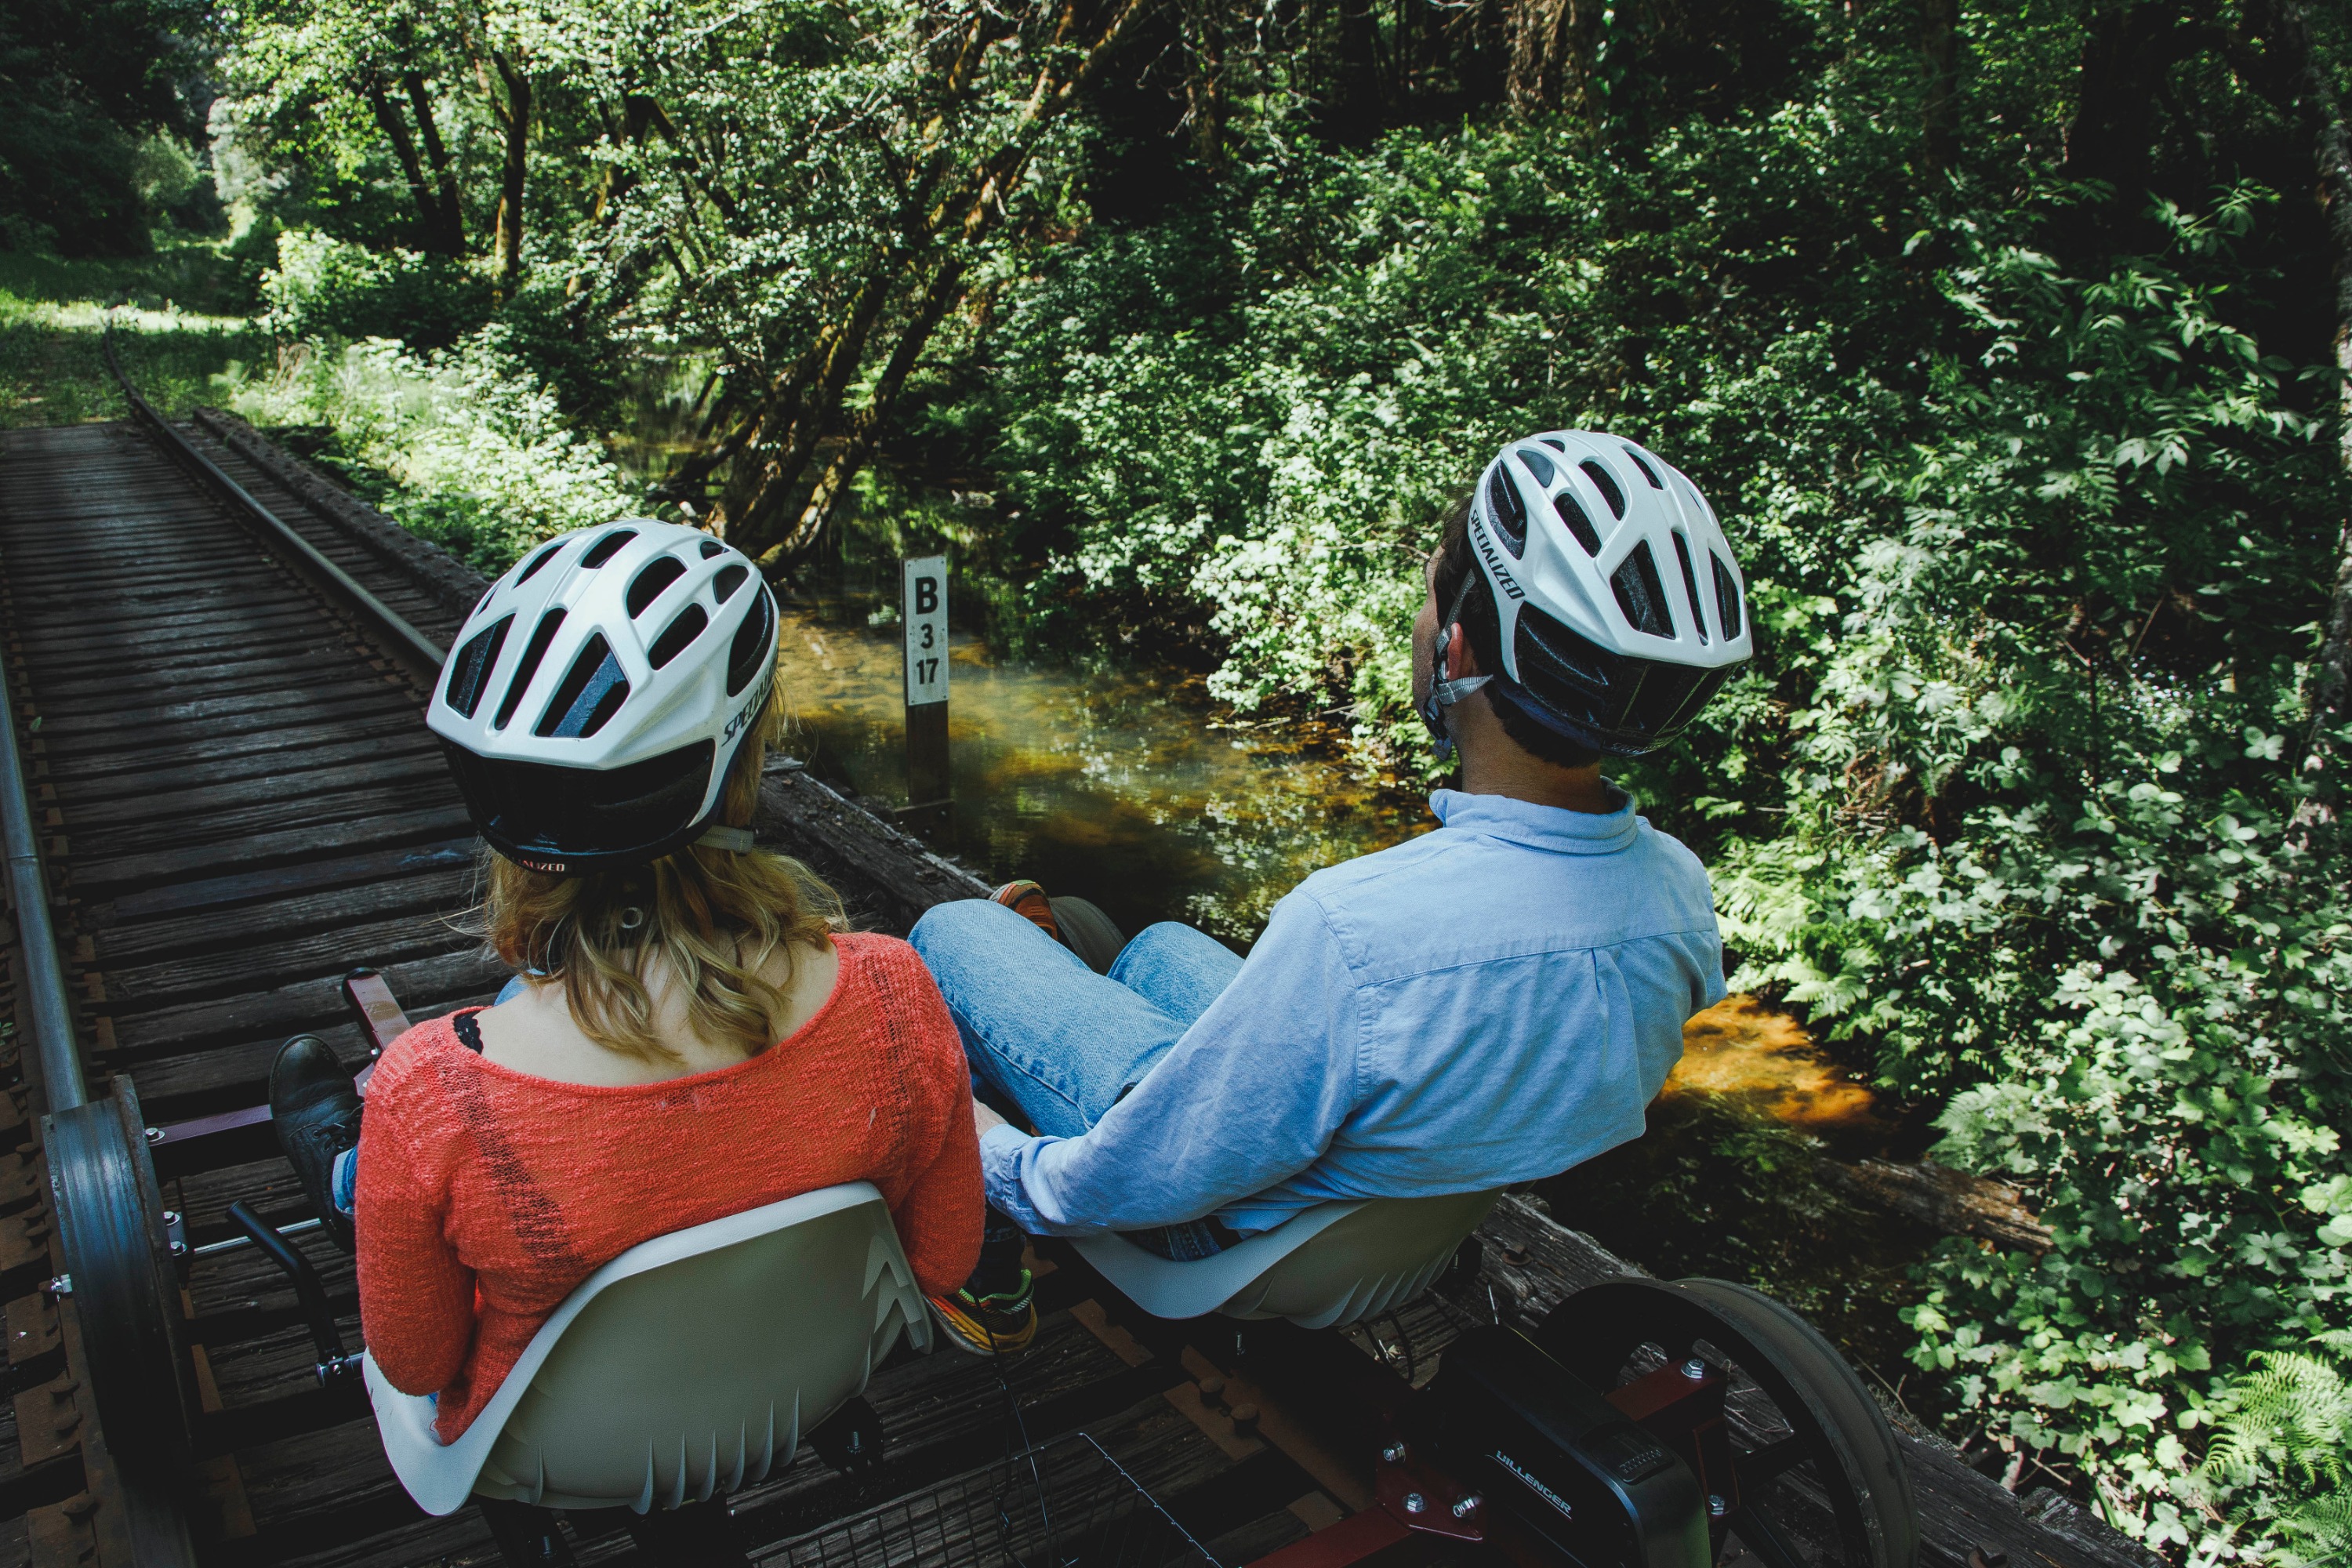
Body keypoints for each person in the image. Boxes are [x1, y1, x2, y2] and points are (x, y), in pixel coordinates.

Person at [914, 430, 1751, 1354]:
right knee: (1157, 950)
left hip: (1236, 1236)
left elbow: (1127, 1179)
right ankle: (1087, 1015)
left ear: (1461, 645)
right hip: (1400, 1208)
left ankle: (993, 1216)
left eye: (1432, 596)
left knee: (953, 931)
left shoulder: (1358, 926)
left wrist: (994, 1159)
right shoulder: (1677, 887)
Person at [267, 521, 983, 1443]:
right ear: (744, 768)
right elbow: (945, 1255)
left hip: (549, 1452)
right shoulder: (893, 993)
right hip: (812, 1377)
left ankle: (350, 1176)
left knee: (422, 1155)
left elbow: (416, 1361)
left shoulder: (431, 1086)